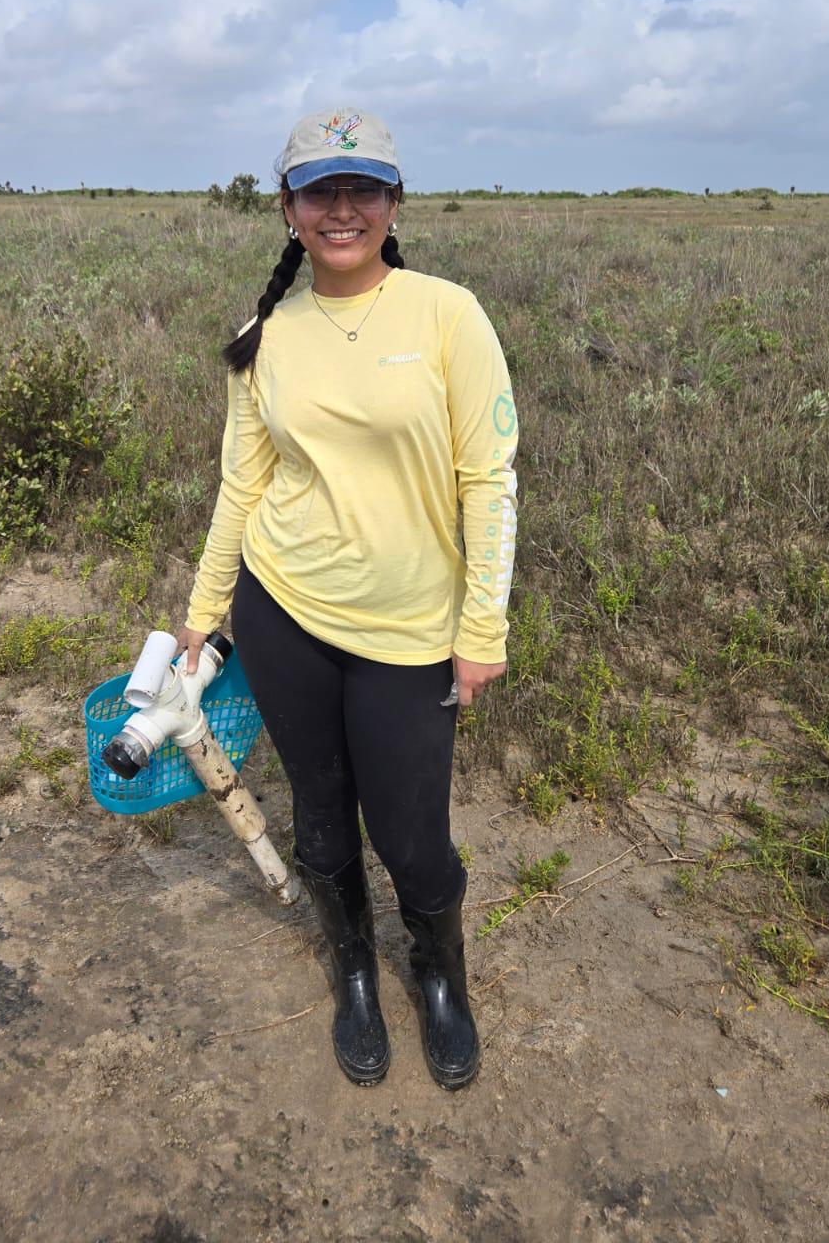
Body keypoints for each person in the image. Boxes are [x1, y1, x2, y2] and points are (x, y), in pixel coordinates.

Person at [177, 107, 518, 1090]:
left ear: (393, 201)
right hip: (283, 616)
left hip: (411, 634)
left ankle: (441, 979)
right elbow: (242, 484)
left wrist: (480, 628)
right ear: (287, 208)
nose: (341, 208)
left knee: (414, 837)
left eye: (362, 187)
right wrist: (203, 615)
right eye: (319, 190)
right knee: (321, 821)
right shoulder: (265, 335)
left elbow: (490, 479)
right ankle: (355, 973)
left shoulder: (449, 315)